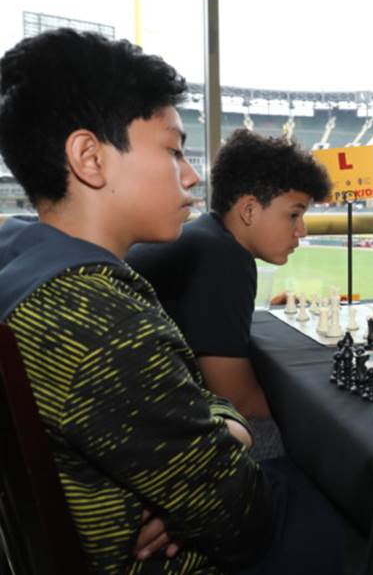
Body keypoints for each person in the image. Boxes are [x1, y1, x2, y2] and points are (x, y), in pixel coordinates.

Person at [0, 29, 345, 573]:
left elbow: (195, 403)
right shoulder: (99, 318)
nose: (190, 177)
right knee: (347, 515)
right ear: (89, 157)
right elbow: (241, 516)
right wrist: (228, 430)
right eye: (173, 150)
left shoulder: (17, 249)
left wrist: (216, 429)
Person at [127, 129, 331, 459]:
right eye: (294, 214)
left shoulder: (209, 239)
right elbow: (239, 399)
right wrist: (326, 412)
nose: (302, 231)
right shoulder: (223, 257)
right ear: (249, 210)